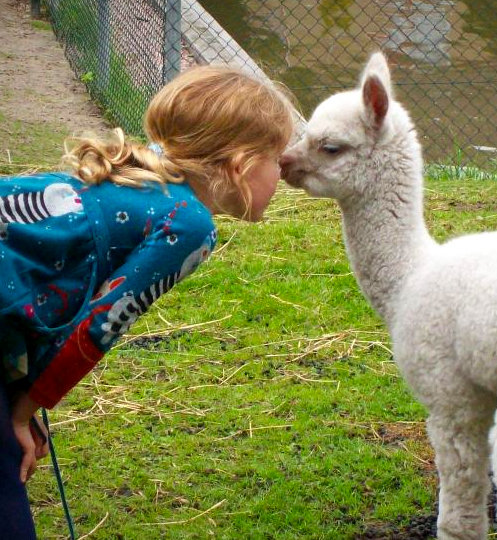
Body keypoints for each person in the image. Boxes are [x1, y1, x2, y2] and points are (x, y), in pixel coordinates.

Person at [0, 64, 295, 539]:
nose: (285, 174)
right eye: (278, 161)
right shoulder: (190, 222)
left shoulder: (144, 181)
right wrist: (22, 411)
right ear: (241, 163)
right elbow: (100, 325)